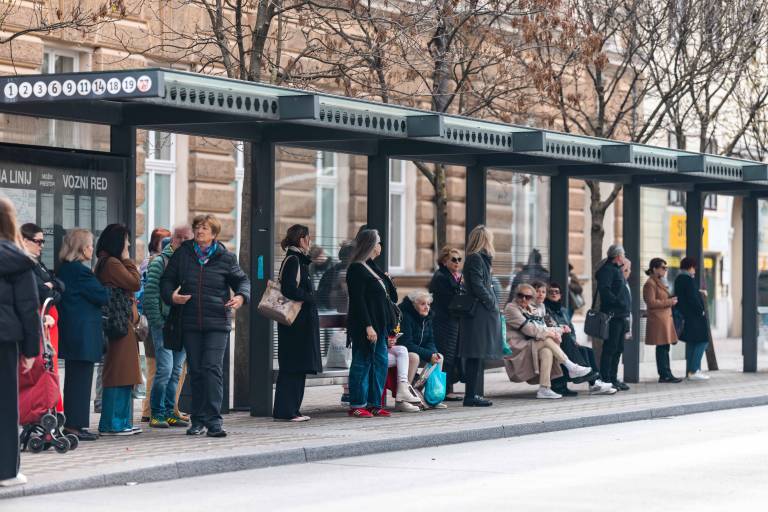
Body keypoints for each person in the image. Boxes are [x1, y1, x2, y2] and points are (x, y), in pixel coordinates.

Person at [161, 214, 250, 437]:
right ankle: (198, 420)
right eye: (198, 227)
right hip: (190, 322)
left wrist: (241, 297)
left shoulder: (225, 257)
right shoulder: (183, 254)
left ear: (214, 233)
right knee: (197, 371)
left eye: (205, 228)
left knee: (212, 368)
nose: (200, 231)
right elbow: (167, 280)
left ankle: (214, 421)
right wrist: (172, 296)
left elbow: (242, 281)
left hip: (217, 321)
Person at [0, 197, 41, 488]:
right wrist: (30, 350)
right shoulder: (17, 259)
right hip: (4, 339)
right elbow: (28, 308)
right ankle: (6, 472)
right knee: (5, 405)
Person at [57, 229, 107, 441]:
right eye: (90, 245)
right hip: (83, 335)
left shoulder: (64, 269)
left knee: (74, 381)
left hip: (72, 332)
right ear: (82, 248)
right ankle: (74, 427)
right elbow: (102, 295)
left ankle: (73, 424)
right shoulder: (81, 272)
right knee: (81, 382)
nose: (92, 249)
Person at [94, 224, 143, 436]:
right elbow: (135, 282)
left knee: (124, 373)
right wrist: (127, 260)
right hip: (119, 325)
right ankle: (113, 424)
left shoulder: (106, 262)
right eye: (126, 240)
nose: (129, 244)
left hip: (121, 325)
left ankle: (121, 422)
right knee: (119, 374)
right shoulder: (113, 263)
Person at [504, 283, 592, 399]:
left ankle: (544, 389)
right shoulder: (511, 308)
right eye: (521, 295)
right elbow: (530, 330)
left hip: (531, 343)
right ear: (516, 295)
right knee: (546, 339)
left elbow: (543, 326)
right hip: (517, 347)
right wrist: (552, 332)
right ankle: (570, 366)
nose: (524, 299)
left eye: (528, 297)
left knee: (547, 351)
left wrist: (559, 329)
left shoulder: (533, 308)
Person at [144, 226, 193, 428]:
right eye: (179, 237)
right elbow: (150, 296)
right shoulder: (160, 262)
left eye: (187, 238)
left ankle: (170, 411)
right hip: (164, 324)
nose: (182, 241)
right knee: (165, 369)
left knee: (176, 371)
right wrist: (158, 322)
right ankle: (157, 413)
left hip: (183, 324)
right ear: (173, 239)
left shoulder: (191, 262)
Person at [345, 229, 398, 418]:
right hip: (365, 326)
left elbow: (392, 296)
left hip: (381, 326)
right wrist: (368, 325)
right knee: (362, 363)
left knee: (380, 364)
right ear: (370, 245)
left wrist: (388, 280)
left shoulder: (372, 267)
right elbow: (358, 301)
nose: (380, 246)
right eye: (378, 242)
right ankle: (357, 404)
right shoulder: (356, 268)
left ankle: (374, 403)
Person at [273, 225, 323, 422]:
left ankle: (291, 409)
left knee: (296, 366)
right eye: (308, 238)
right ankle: (288, 411)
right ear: (302, 239)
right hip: (296, 324)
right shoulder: (294, 260)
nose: (310, 242)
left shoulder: (298, 259)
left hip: (298, 323)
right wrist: (310, 297)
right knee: (293, 367)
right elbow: (289, 289)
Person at [21, 223, 65, 412]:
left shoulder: (37, 263)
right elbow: (40, 291)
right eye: (38, 241)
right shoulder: (24, 264)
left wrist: (51, 286)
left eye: (43, 241)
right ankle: (40, 408)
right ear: (25, 241)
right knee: (40, 366)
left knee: (49, 365)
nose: (42, 245)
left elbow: (59, 284)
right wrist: (50, 287)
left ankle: (51, 407)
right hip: (40, 320)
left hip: (48, 320)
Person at [543, 282, 615, 396]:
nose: (554, 294)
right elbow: (549, 327)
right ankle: (593, 382)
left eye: (556, 292)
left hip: (567, 341)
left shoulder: (563, 310)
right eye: (551, 292)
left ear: (560, 295)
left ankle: (596, 382)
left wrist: (574, 340)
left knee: (588, 351)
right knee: (578, 349)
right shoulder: (545, 309)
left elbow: (571, 328)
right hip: (557, 341)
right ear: (547, 294)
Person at [460, 225, 502, 407]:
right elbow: (477, 285)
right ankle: (470, 395)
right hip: (479, 313)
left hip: (482, 313)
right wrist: (491, 302)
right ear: (485, 240)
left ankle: (472, 394)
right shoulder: (475, 258)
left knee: (477, 355)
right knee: (475, 354)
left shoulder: (480, 259)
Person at [137, 227, 171, 423]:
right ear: (157, 243)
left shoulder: (152, 261)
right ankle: (148, 409)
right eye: (165, 240)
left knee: (157, 366)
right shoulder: (152, 262)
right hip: (152, 321)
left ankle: (153, 408)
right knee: (154, 366)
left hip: (150, 319)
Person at [398, 290, 446, 410]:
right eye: (422, 304)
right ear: (414, 304)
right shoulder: (406, 316)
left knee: (439, 357)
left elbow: (430, 340)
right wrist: (429, 355)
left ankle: (432, 397)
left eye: (428, 304)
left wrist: (433, 354)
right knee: (414, 357)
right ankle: (404, 399)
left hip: (418, 351)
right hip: (403, 352)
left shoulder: (427, 318)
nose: (427, 307)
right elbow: (406, 344)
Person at [428, 246, 464, 401]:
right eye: (453, 259)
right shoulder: (442, 277)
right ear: (444, 261)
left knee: (451, 354)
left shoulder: (453, 276)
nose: (457, 262)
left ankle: (447, 388)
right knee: (445, 354)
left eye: (459, 259)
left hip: (451, 320)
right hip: (444, 321)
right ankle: (443, 390)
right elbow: (449, 300)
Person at [594, 244, 631, 391]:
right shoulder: (607, 270)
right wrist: (618, 302)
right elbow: (605, 290)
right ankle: (606, 379)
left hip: (621, 315)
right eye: (623, 255)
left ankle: (614, 378)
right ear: (618, 256)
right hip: (613, 315)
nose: (624, 257)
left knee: (618, 348)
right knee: (610, 348)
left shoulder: (616, 269)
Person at [643, 258, 682, 383]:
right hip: (658, 320)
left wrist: (671, 298)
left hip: (664, 320)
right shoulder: (650, 283)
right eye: (663, 268)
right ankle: (664, 375)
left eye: (666, 268)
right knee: (662, 348)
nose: (665, 270)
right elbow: (651, 302)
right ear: (654, 269)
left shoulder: (660, 281)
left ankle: (667, 373)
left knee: (665, 348)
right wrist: (669, 302)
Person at [673, 257, 710, 381]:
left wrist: (698, 291)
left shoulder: (679, 279)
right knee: (703, 341)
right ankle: (694, 370)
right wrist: (701, 310)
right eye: (694, 267)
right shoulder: (687, 279)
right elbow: (692, 298)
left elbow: (685, 295)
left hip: (686, 316)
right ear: (690, 267)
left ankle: (691, 371)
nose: (694, 270)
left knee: (692, 342)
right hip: (694, 316)